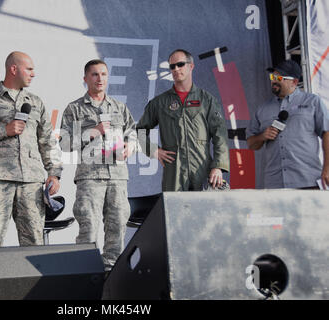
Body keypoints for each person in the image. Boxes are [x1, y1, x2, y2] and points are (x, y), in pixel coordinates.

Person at [0, 51, 62, 248]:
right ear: (13, 69)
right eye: (29, 69)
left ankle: (33, 280)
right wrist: (5, 130)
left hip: (31, 182)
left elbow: (47, 140)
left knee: (34, 242)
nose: (33, 74)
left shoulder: (35, 102)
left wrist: (54, 173)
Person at [60, 59, 137, 271]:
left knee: (118, 227)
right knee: (89, 227)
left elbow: (132, 132)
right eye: (94, 74)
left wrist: (130, 146)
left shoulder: (119, 107)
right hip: (90, 177)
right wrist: (94, 131)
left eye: (103, 74)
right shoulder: (74, 108)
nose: (100, 78)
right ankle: (86, 275)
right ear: (85, 79)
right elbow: (64, 143)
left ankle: (112, 277)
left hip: (117, 177)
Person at [136, 49, 230, 191]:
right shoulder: (160, 102)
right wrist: (153, 150)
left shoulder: (207, 100)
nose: (176, 69)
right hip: (174, 172)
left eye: (180, 64)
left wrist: (218, 166)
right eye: (172, 66)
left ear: (191, 66)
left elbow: (220, 135)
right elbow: (139, 132)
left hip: (202, 168)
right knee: (175, 210)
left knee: (205, 210)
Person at [247, 60, 329, 189]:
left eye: (278, 77)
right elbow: (251, 144)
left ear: (294, 82)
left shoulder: (312, 102)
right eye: (272, 77)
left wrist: (327, 168)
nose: (273, 81)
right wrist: (262, 136)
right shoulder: (263, 109)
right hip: (275, 184)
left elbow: (327, 133)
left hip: (307, 180)